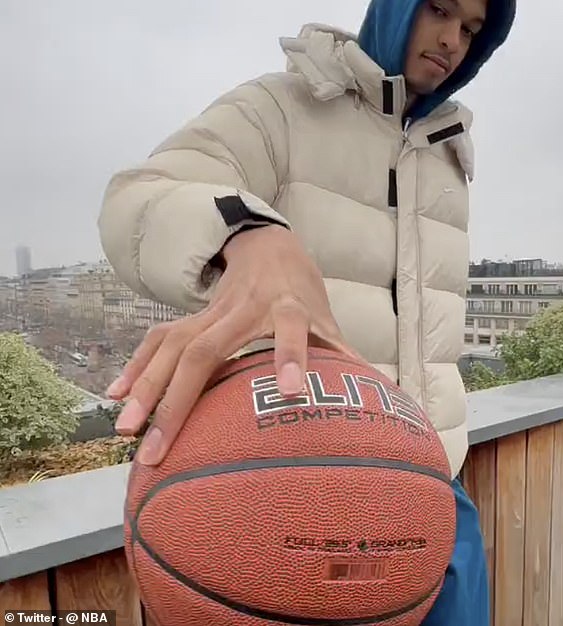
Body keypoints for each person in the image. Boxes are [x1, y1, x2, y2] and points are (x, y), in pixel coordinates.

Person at [98, 0, 515, 623]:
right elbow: (141, 194)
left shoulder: (448, 153)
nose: (452, 39)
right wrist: (247, 231)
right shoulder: (282, 108)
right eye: (440, 9)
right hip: (299, 500)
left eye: (472, 29)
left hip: (431, 491)